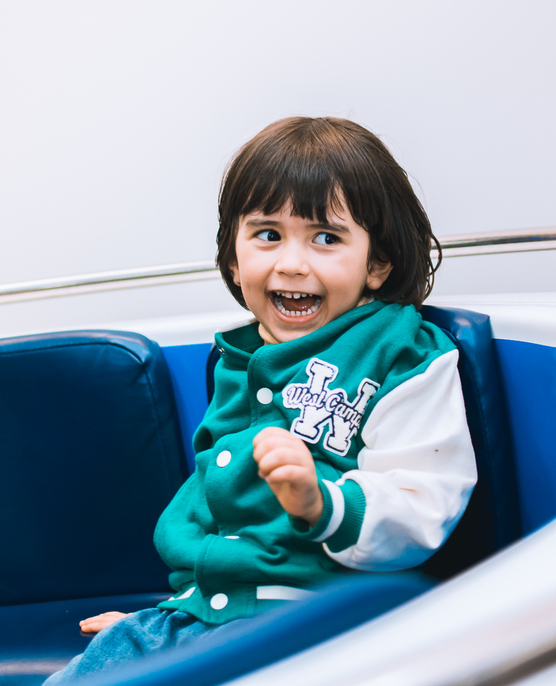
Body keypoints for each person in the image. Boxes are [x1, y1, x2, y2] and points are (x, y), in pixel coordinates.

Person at [44, 116, 476, 683]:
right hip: (203, 615)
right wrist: (172, 617)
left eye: (326, 238)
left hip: (318, 620)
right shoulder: (234, 361)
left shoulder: (401, 350)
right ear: (233, 258)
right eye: (268, 235)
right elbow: (224, 527)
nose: (292, 263)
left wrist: (320, 502)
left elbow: (423, 503)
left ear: (377, 264)